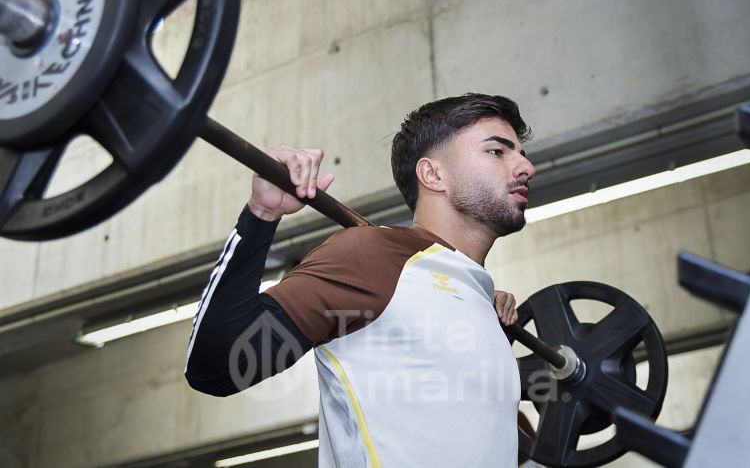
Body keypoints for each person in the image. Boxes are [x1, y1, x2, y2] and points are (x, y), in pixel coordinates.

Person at [184, 93, 536, 467]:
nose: (526, 166)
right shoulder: (374, 257)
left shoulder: (483, 307)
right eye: (497, 152)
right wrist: (261, 214)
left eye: (521, 153)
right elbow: (218, 367)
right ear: (433, 175)